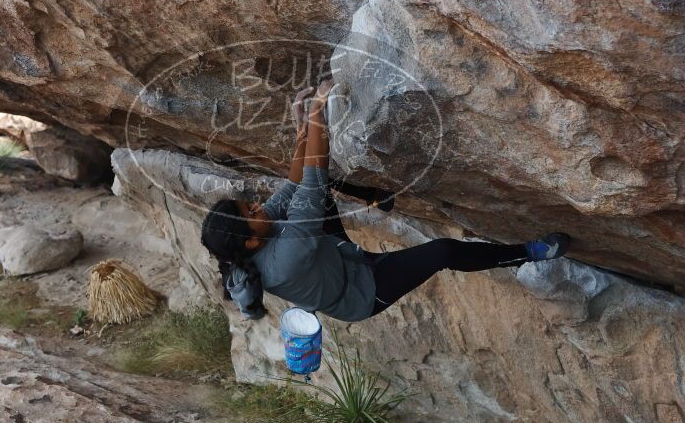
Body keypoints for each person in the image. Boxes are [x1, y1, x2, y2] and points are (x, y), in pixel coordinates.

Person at [200, 80, 570, 322]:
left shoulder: (259, 235)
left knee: (311, 191)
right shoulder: (284, 260)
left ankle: (378, 198)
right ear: (249, 241)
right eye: (251, 213)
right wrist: (317, 114)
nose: (258, 206)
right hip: (361, 291)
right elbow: (312, 181)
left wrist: (301, 132)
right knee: (442, 252)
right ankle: (530, 251)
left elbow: (293, 184)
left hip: (336, 254)